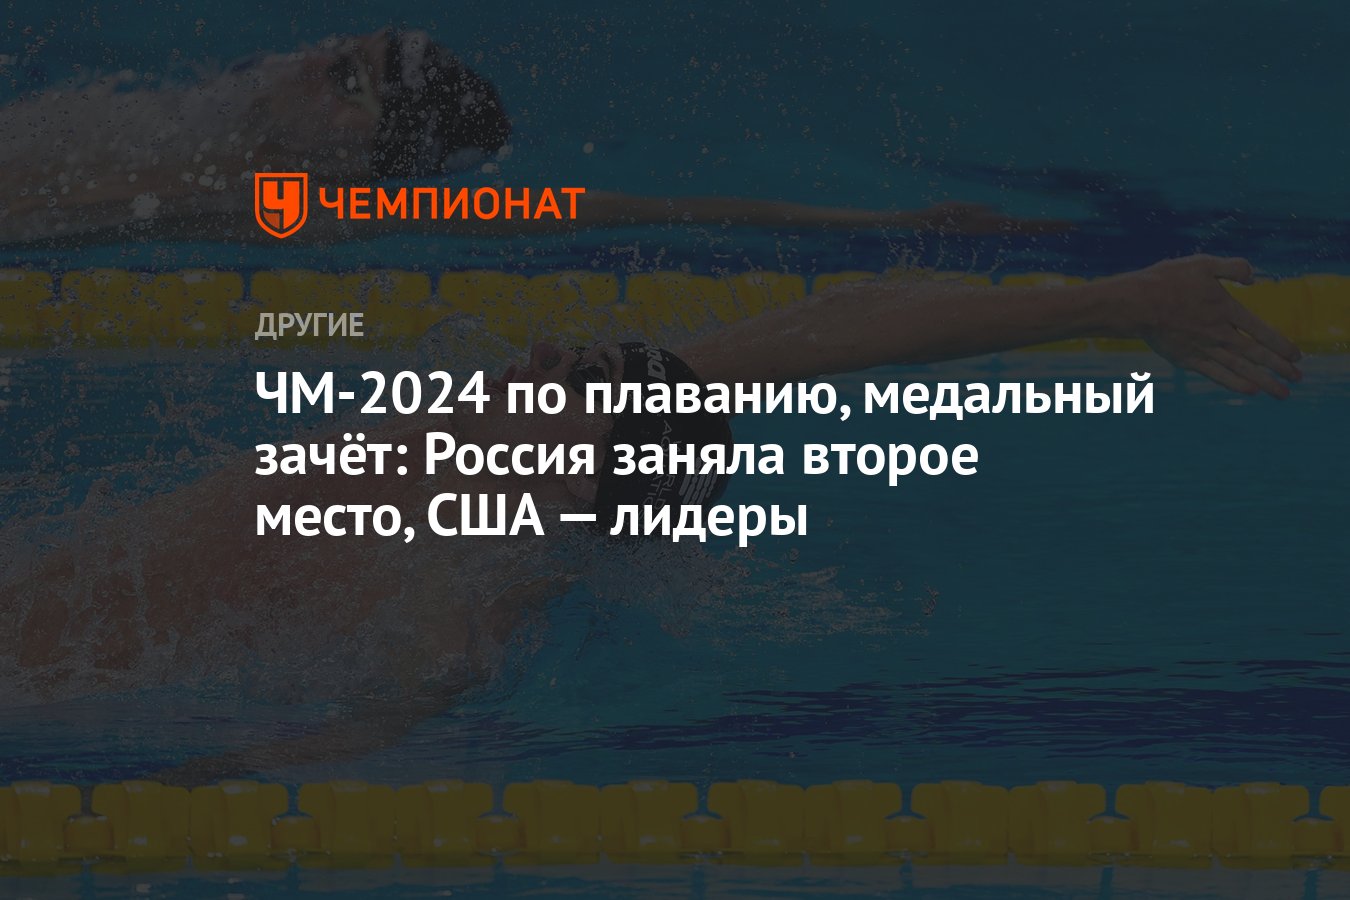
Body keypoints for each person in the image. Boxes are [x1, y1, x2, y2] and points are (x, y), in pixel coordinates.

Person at [0, 252, 1300, 782]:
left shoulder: (467, 564)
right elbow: (846, 322)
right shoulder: (516, 455)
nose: (549, 359)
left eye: (578, 377)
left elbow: (340, 739)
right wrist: (1111, 301)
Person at [0, 28, 1064, 244]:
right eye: (345, 47)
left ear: (358, 159)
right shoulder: (190, 111)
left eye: (345, 78)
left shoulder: (282, 197)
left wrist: (887, 225)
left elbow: (633, 209)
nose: (310, 57)